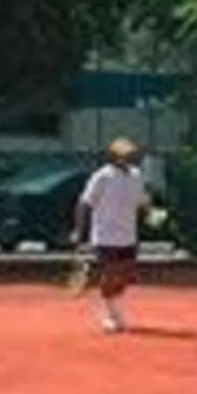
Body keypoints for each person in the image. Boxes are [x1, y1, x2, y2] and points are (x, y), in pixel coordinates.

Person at [74, 137, 149, 334]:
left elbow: (141, 202)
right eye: (125, 154)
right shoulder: (102, 176)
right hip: (105, 235)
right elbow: (85, 204)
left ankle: (109, 302)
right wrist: (80, 232)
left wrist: (151, 214)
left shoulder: (137, 175)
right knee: (112, 274)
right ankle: (111, 315)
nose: (130, 157)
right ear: (114, 156)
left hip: (128, 236)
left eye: (131, 153)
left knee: (125, 275)